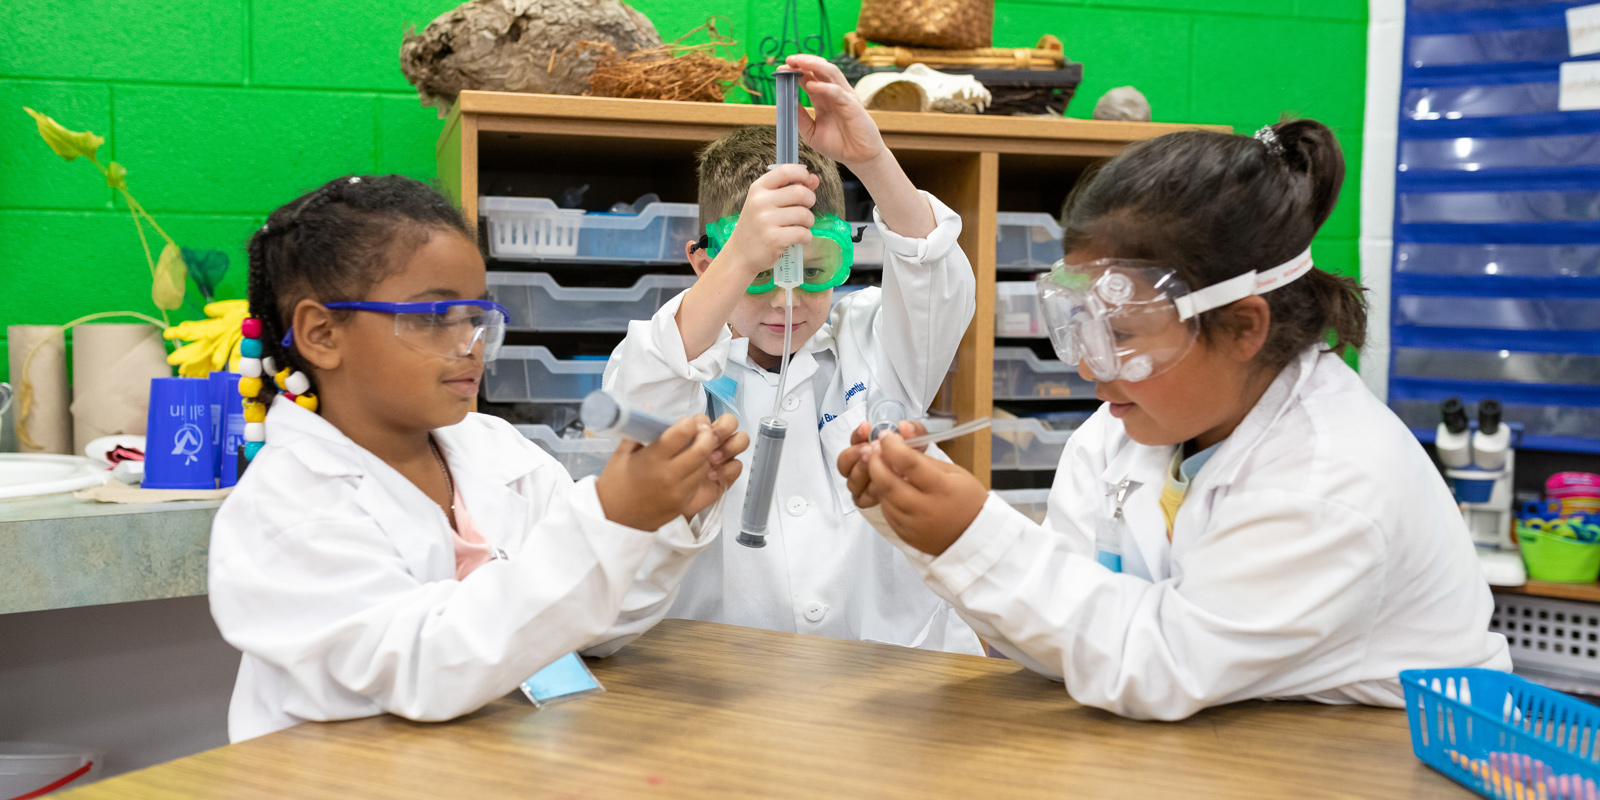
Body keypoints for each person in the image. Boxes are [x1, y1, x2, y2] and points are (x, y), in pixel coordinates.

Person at [837, 119, 1511, 720]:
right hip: (1237, 742)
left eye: (1123, 333)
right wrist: (920, 520)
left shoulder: (1329, 480)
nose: (1090, 367)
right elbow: (1069, 642)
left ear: (1245, 324)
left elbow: (1157, 665)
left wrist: (971, 537)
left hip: (1395, 763)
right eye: (1082, 326)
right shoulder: (1120, 435)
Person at [209, 174, 748, 742]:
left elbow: (594, 623)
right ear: (321, 333)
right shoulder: (287, 505)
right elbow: (429, 668)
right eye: (432, 316)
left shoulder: (496, 449)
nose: (470, 343)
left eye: (476, 317)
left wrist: (657, 517)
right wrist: (612, 515)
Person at [602, 55, 982, 654]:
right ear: (707, 266)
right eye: (759, 273)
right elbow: (642, 388)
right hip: (725, 678)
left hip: (894, 668)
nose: (788, 298)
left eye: (814, 270)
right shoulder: (673, 351)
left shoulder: (870, 339)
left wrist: (871, 160)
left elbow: (935, 272)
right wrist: (742, 254)